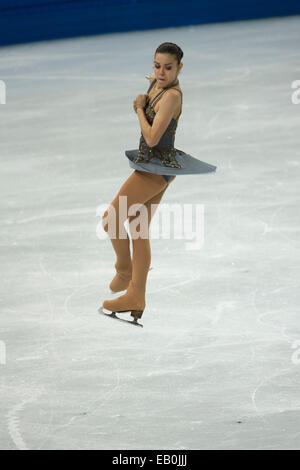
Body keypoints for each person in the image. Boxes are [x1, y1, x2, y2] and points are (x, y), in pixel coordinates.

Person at [101, 42, 217, 323]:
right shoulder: (158, 83)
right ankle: (135, 296)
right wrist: (150, 85)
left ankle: (124, 269)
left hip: (154, 168)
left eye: (168, 67)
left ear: (180, 68)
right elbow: (154, 83)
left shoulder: (172, 97)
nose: (161, 72)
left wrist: (139, 109)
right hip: (153, 166)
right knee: (137, 229)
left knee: (112, 220)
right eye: (157, 66)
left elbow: (152, 138)